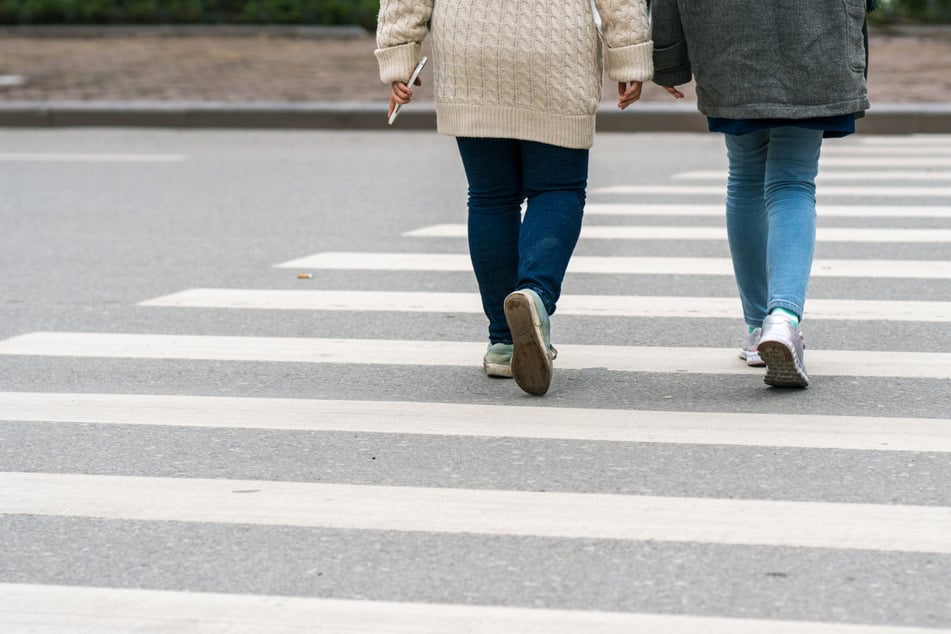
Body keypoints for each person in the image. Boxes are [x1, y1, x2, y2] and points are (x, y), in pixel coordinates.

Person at [376, 1, 653, 396]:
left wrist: (399, 54)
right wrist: (629, 57)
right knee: (557, 189)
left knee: (491, 198)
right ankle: (534, 296)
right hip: (557, 48)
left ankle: (505, 341)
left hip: (470, 47)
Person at [651, 0, 873, 388]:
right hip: (816, 38)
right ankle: (783, 320)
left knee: (745, 178)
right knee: (792, 181)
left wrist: (667, 57)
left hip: (728, 41)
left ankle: (758, 330)